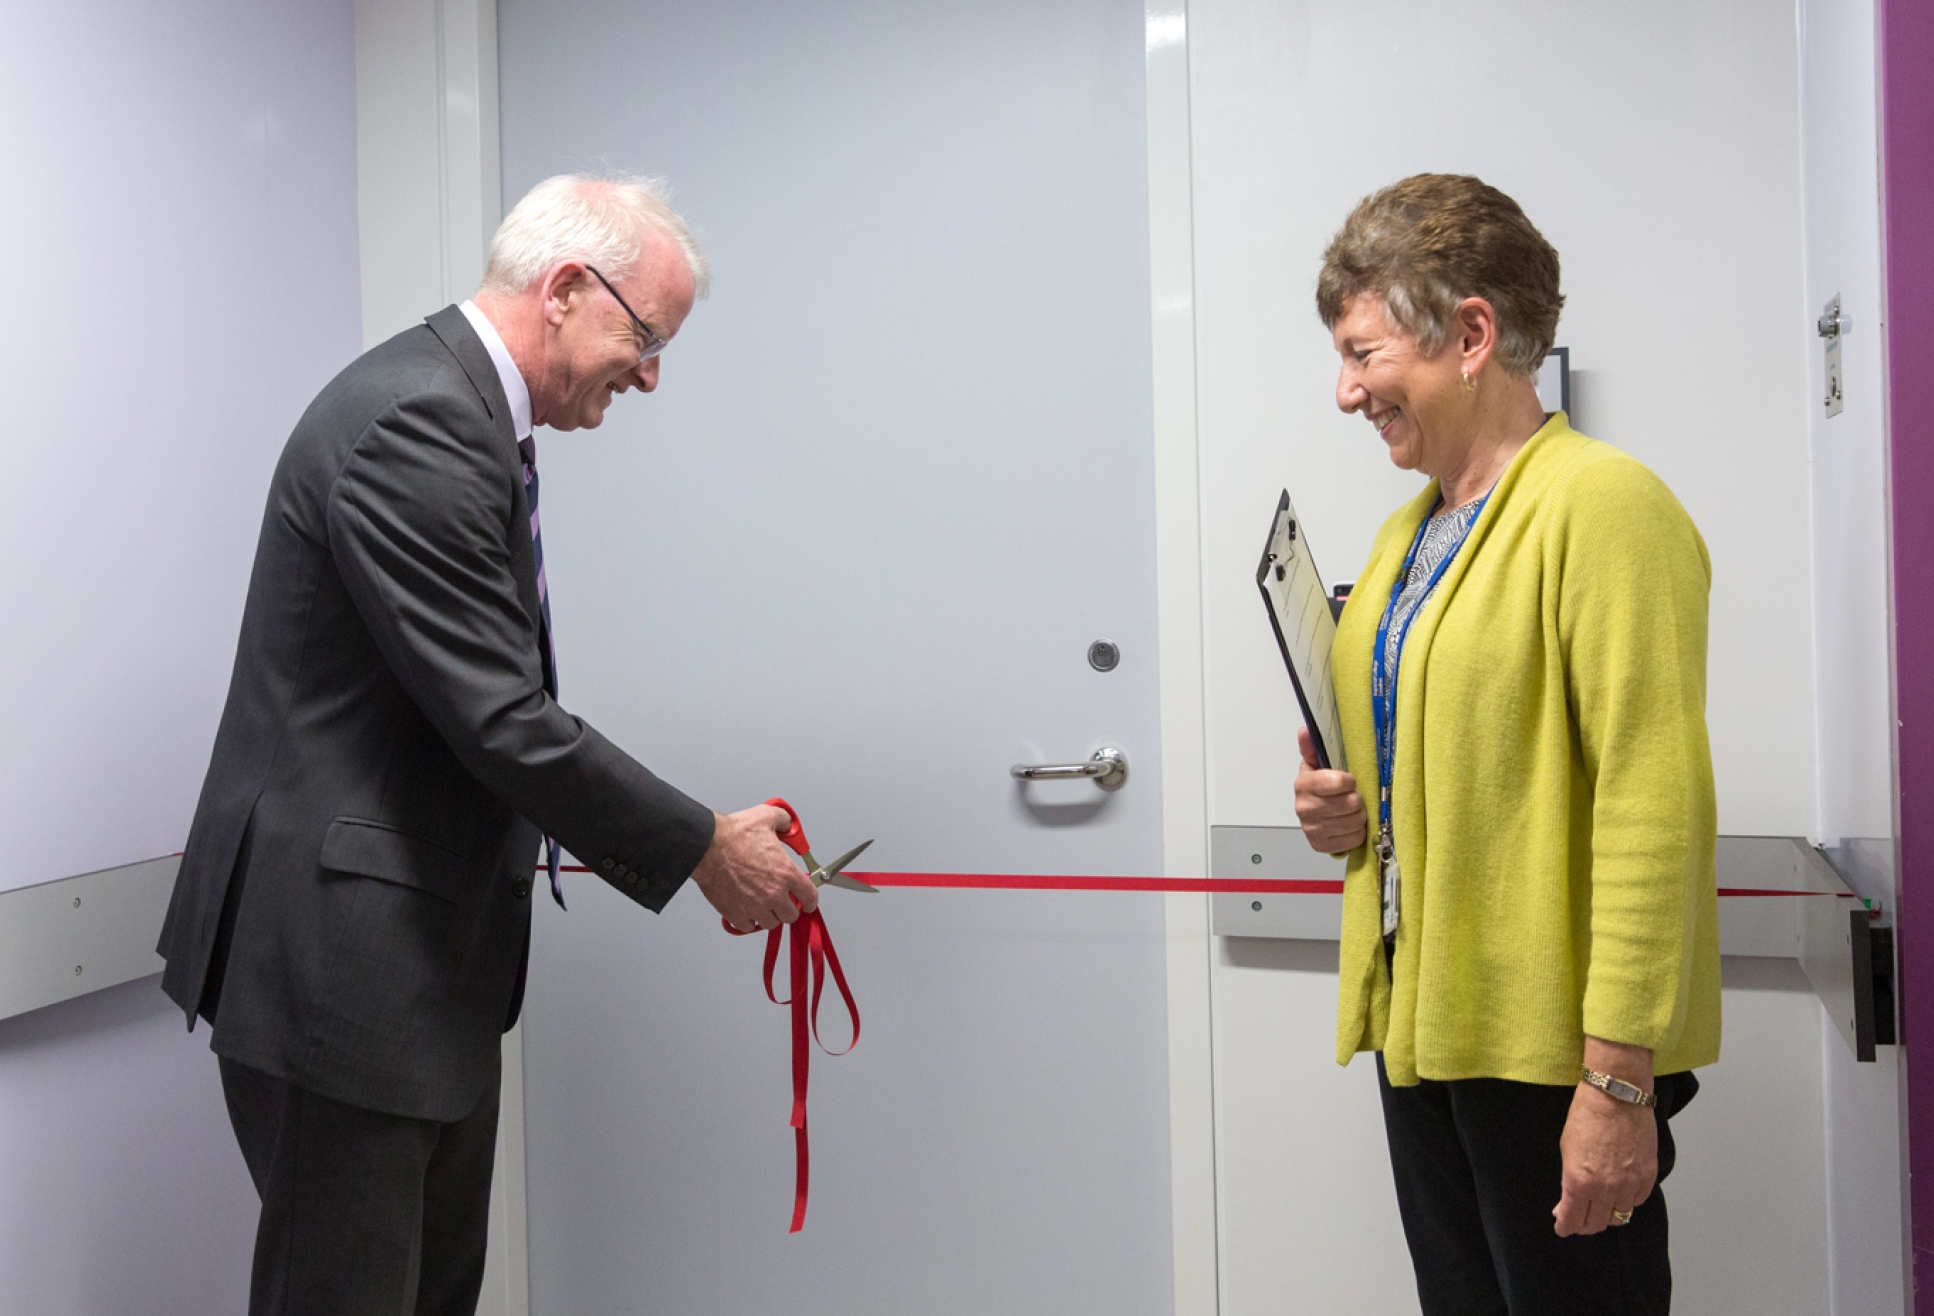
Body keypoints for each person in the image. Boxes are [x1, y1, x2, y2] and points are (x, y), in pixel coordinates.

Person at [156, 173, 821, 1316]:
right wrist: (701, 844)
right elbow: (504, 720)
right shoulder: (417, 419)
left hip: (413, 972)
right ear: (566, 288)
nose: (651, 373)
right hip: (343, 978)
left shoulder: (460, 413)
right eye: (646, 335)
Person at [1292, 173, 1719, 1314]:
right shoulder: (1406, 532)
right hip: (1425, 1033)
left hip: (1548, 1054)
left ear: (1470, 332)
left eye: (1363, 353)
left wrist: (1615, 1083)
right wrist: (1341, 805)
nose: (1343, 392)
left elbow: (1649, 800)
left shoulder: (1602, 506)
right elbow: (1441, 768)